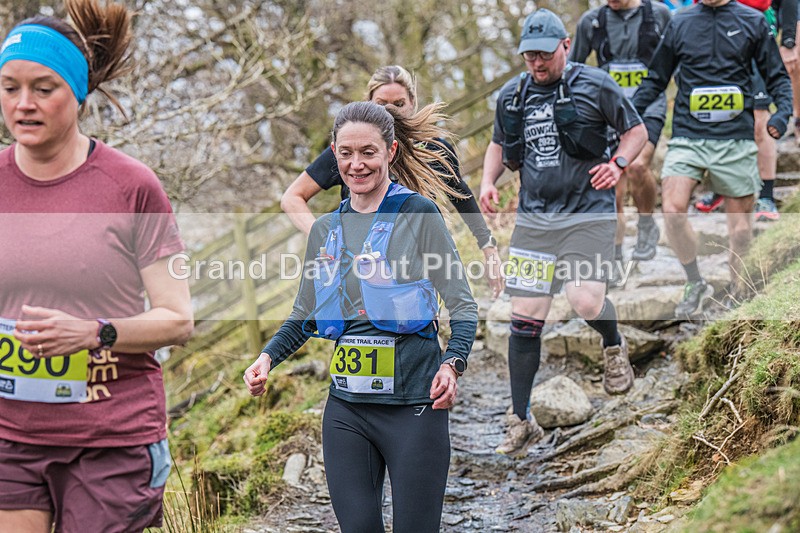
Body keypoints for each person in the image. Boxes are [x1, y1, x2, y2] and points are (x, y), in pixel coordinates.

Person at [0, 1, 194, 532]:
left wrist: (93, 333)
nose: (23, 104)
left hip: (111, 440)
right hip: (11, 436)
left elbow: (178, 320)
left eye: (44, 88)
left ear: (77, 94)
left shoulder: (132, 186)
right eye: (9, 87)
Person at [244, 101, 478, 533]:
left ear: (390, 151)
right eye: (346, 153)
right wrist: (267, 358)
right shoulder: (325, 230)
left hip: (414, 406)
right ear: (334, 153)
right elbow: (304, 314)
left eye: (368, 152)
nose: (357, 164)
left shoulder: (419, 215)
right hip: (346, 410)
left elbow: (462, 305)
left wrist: (453, 362)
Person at [479, 9, 647, 456]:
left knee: (584, 300)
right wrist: (488, 181)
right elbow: (498, 143)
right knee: (525, 319)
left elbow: (636, 130)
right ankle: (521, 420)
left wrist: (618, 164)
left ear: (565, 46)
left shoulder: (596, 84)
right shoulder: (512, 96)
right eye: (529, 55)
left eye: (544, 54)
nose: (536, 63)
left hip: (588, 213)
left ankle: (613, 343)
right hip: (536, 220)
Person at [281, 65, 503, 298]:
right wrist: (326, 242)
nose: (389, 111)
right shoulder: (348, 155)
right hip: (361, 274)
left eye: (398, 104)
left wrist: (489, 249)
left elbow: (462, 197)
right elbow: (292, 198)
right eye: (380, 104)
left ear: (412, 103)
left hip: (416, 277)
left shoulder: (434, 150)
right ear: (368, 104)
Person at [633, 0, 792, 316]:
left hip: (735, 139)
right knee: (674, 212)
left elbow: (776, 76)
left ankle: (737, 291)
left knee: (742, 233)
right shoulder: (680, 23)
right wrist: (625, 116)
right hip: (688, 136)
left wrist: (783, 113)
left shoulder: (753, 21)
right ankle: (695, 281)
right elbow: (655, 79)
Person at [570, 0, 672, 266]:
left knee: (637, 165)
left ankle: (647, 223)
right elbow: (571, 70)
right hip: (607, 112)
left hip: (648, 107)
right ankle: (614, 256)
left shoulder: (659, 14)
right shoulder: (591, 22)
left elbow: (679, 58)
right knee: (611, 189)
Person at [694, 0, 797, 221]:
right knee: (721, 113)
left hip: (755, 31)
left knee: (760, 119)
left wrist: (788, 40)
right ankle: (722, 184)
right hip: (717, 32)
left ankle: (766, 196)